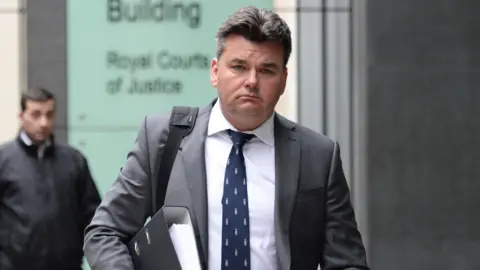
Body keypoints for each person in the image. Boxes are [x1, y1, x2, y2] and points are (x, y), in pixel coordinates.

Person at [83, 5, 369, 270]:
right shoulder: (163, 138)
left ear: (283, 80)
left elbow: (347, 261)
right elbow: (104, 232)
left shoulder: (318, 155)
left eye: (266, 70)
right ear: (215, 72)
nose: (252, 81)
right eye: (239, 66)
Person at [0, 87, 101, 270]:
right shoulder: (4, 160)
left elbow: (92, 215)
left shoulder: (73, 160)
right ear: (21, 116)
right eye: (36, 114)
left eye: (49, 114)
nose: (44, 122)